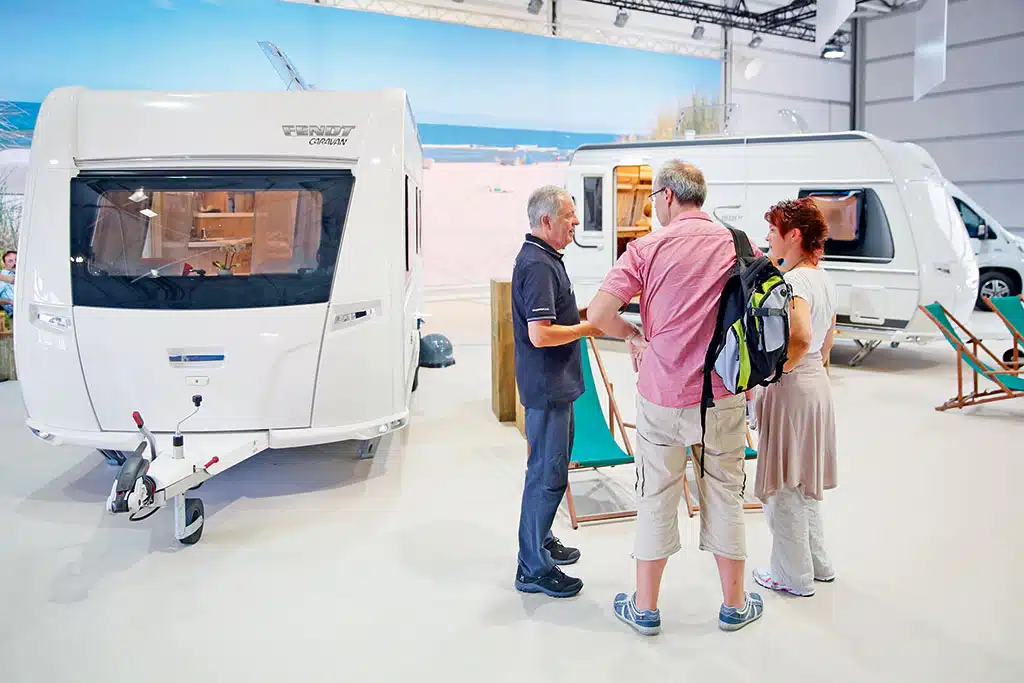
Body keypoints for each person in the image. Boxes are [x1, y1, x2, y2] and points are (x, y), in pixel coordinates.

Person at [587, 160, 764, 636]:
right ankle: (734, 605)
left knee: (656, 494)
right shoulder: (737, 243)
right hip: (722, 394)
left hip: (663, 395)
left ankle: (645, 609)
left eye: (653, 200)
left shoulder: (646, 248)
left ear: (666, 196)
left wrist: (634, 336)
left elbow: (600, 312)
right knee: (725, 492)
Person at [512, 185, 603, 599]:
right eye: (569, 215)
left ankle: (541, 539)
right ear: (546, 221)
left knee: (552, 471)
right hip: (548, 389)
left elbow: (556, 317)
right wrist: (588, 328)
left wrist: (591, 313)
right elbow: (541, 334)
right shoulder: (538, 266)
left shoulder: (547, 259)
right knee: (546, 477)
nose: (577, 222)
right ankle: (532, 568)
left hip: (556, 386)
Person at [751, 197, 838, 597]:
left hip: (792, 387)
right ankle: (818, 565)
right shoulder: (823, 277)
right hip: (816, 384)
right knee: (804, 481)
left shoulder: (796, 281)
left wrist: (774, 373)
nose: (769, 236)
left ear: (794, 235)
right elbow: (826, 338)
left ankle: (792, 577)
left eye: (774, 229)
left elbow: (800, 337)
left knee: (783, 486)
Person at [0, 249, 15, 318]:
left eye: (16, 259)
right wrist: (10, 301)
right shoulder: (5, 275)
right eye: (10, 261)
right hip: (15, 314)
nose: (15, 263)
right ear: (5, 265)